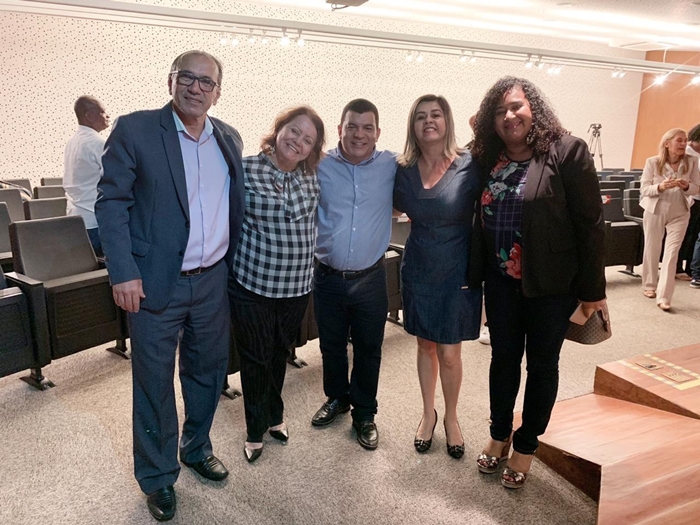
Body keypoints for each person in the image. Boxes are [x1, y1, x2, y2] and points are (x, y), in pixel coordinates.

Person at [95, 50, 245, 522]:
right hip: (153, 282)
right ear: (171, 81)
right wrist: (122, 270)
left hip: (213, 279)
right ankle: (158, 476)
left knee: (208, 371)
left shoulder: (228, 138)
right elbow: (111, 202)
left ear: (218, 92)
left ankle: (196, 447)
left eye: (207, 82)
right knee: (154, 382)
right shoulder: (136, 129)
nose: (196, 88)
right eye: (188, 78)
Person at [470, 76, 606, 488]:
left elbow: (590, 224)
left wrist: (593, 291)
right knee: (503, 361)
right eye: (499, 111)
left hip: (551, 286)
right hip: (501, 284)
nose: (509, 116)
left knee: (542, 365)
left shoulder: (567, 151)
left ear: (535, 109)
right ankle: (499, 434)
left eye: (516, 106)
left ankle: (527, 444)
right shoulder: (488, 158)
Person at [230, 106, 325, 463]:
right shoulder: (245, 169)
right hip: (252, 284)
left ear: (313, 149)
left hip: (297, 287)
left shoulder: (312, 177)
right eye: (294, 131)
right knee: (255, 356)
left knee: (278, 352)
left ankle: (274, 414)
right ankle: (255, 429)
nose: (298, 142)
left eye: (308, 140)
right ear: (279, 129)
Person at [393, 94, 482, 459]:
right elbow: (386, 206)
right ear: (412, 126)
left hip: (457, 270)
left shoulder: (469, 164)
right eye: (421, 116)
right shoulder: (402, 169)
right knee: (425, 345)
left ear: (447, 121)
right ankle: (428, 413)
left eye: (436, 115)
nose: (428, 121)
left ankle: (451, 417)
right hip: (419, 268)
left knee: (449, 352)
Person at [311, 98, 396, 451]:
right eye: (352, 126)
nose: (359, 134)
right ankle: (337, 397)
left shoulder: (392, 165)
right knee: (330, 346)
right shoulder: (319, 164)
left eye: (367, 128)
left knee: (368, 348)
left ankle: (364, 412)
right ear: (340, 128)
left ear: (377, 132)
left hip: (371, 278)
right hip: (327, 276)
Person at [640, 128, 700, 310]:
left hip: (680, 211)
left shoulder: (692, 161)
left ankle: (664, 297)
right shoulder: (652, 162)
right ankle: (649, 285)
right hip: (655, 209)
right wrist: (660, 187)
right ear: (667, 143)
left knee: (672, 253)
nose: (684, 144)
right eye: (679, 140)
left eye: (685, 140)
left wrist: (686, 185)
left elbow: (696, 188)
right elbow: (644, 190)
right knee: (652, 248)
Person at [64, 95, 110, 256]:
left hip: (75, 220)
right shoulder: (97, 143)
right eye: (103, 112)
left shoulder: (72, 142)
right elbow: (118, 179)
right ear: (89, 116)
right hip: (95, 222)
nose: (107, 115)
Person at [682, 124, 700, 289]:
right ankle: (677, 267)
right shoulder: (687, 153)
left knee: (694, 236)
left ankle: (690, 268)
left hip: (697, 198)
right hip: (690, 198)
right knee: (686, 234)